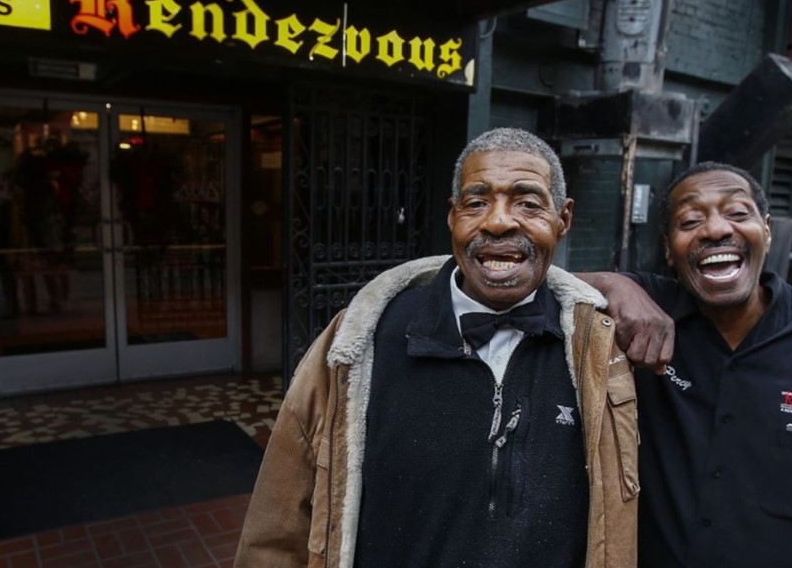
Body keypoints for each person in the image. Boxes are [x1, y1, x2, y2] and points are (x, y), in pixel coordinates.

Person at [234, 128, 643, 568]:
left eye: (528, 203)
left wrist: (624, 286)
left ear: (563, 218)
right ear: (452, 217)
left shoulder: (602, 347)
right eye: (476, 202)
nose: (498, 222)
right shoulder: (360, 342)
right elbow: (277, 528)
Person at [579, 161, 792, 568]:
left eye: (738, 212)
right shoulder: (646, 313)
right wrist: (615, 283)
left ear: (767, 231)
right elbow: (535, 281)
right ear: (668, 248)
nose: (716, 229)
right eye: (690, 220)